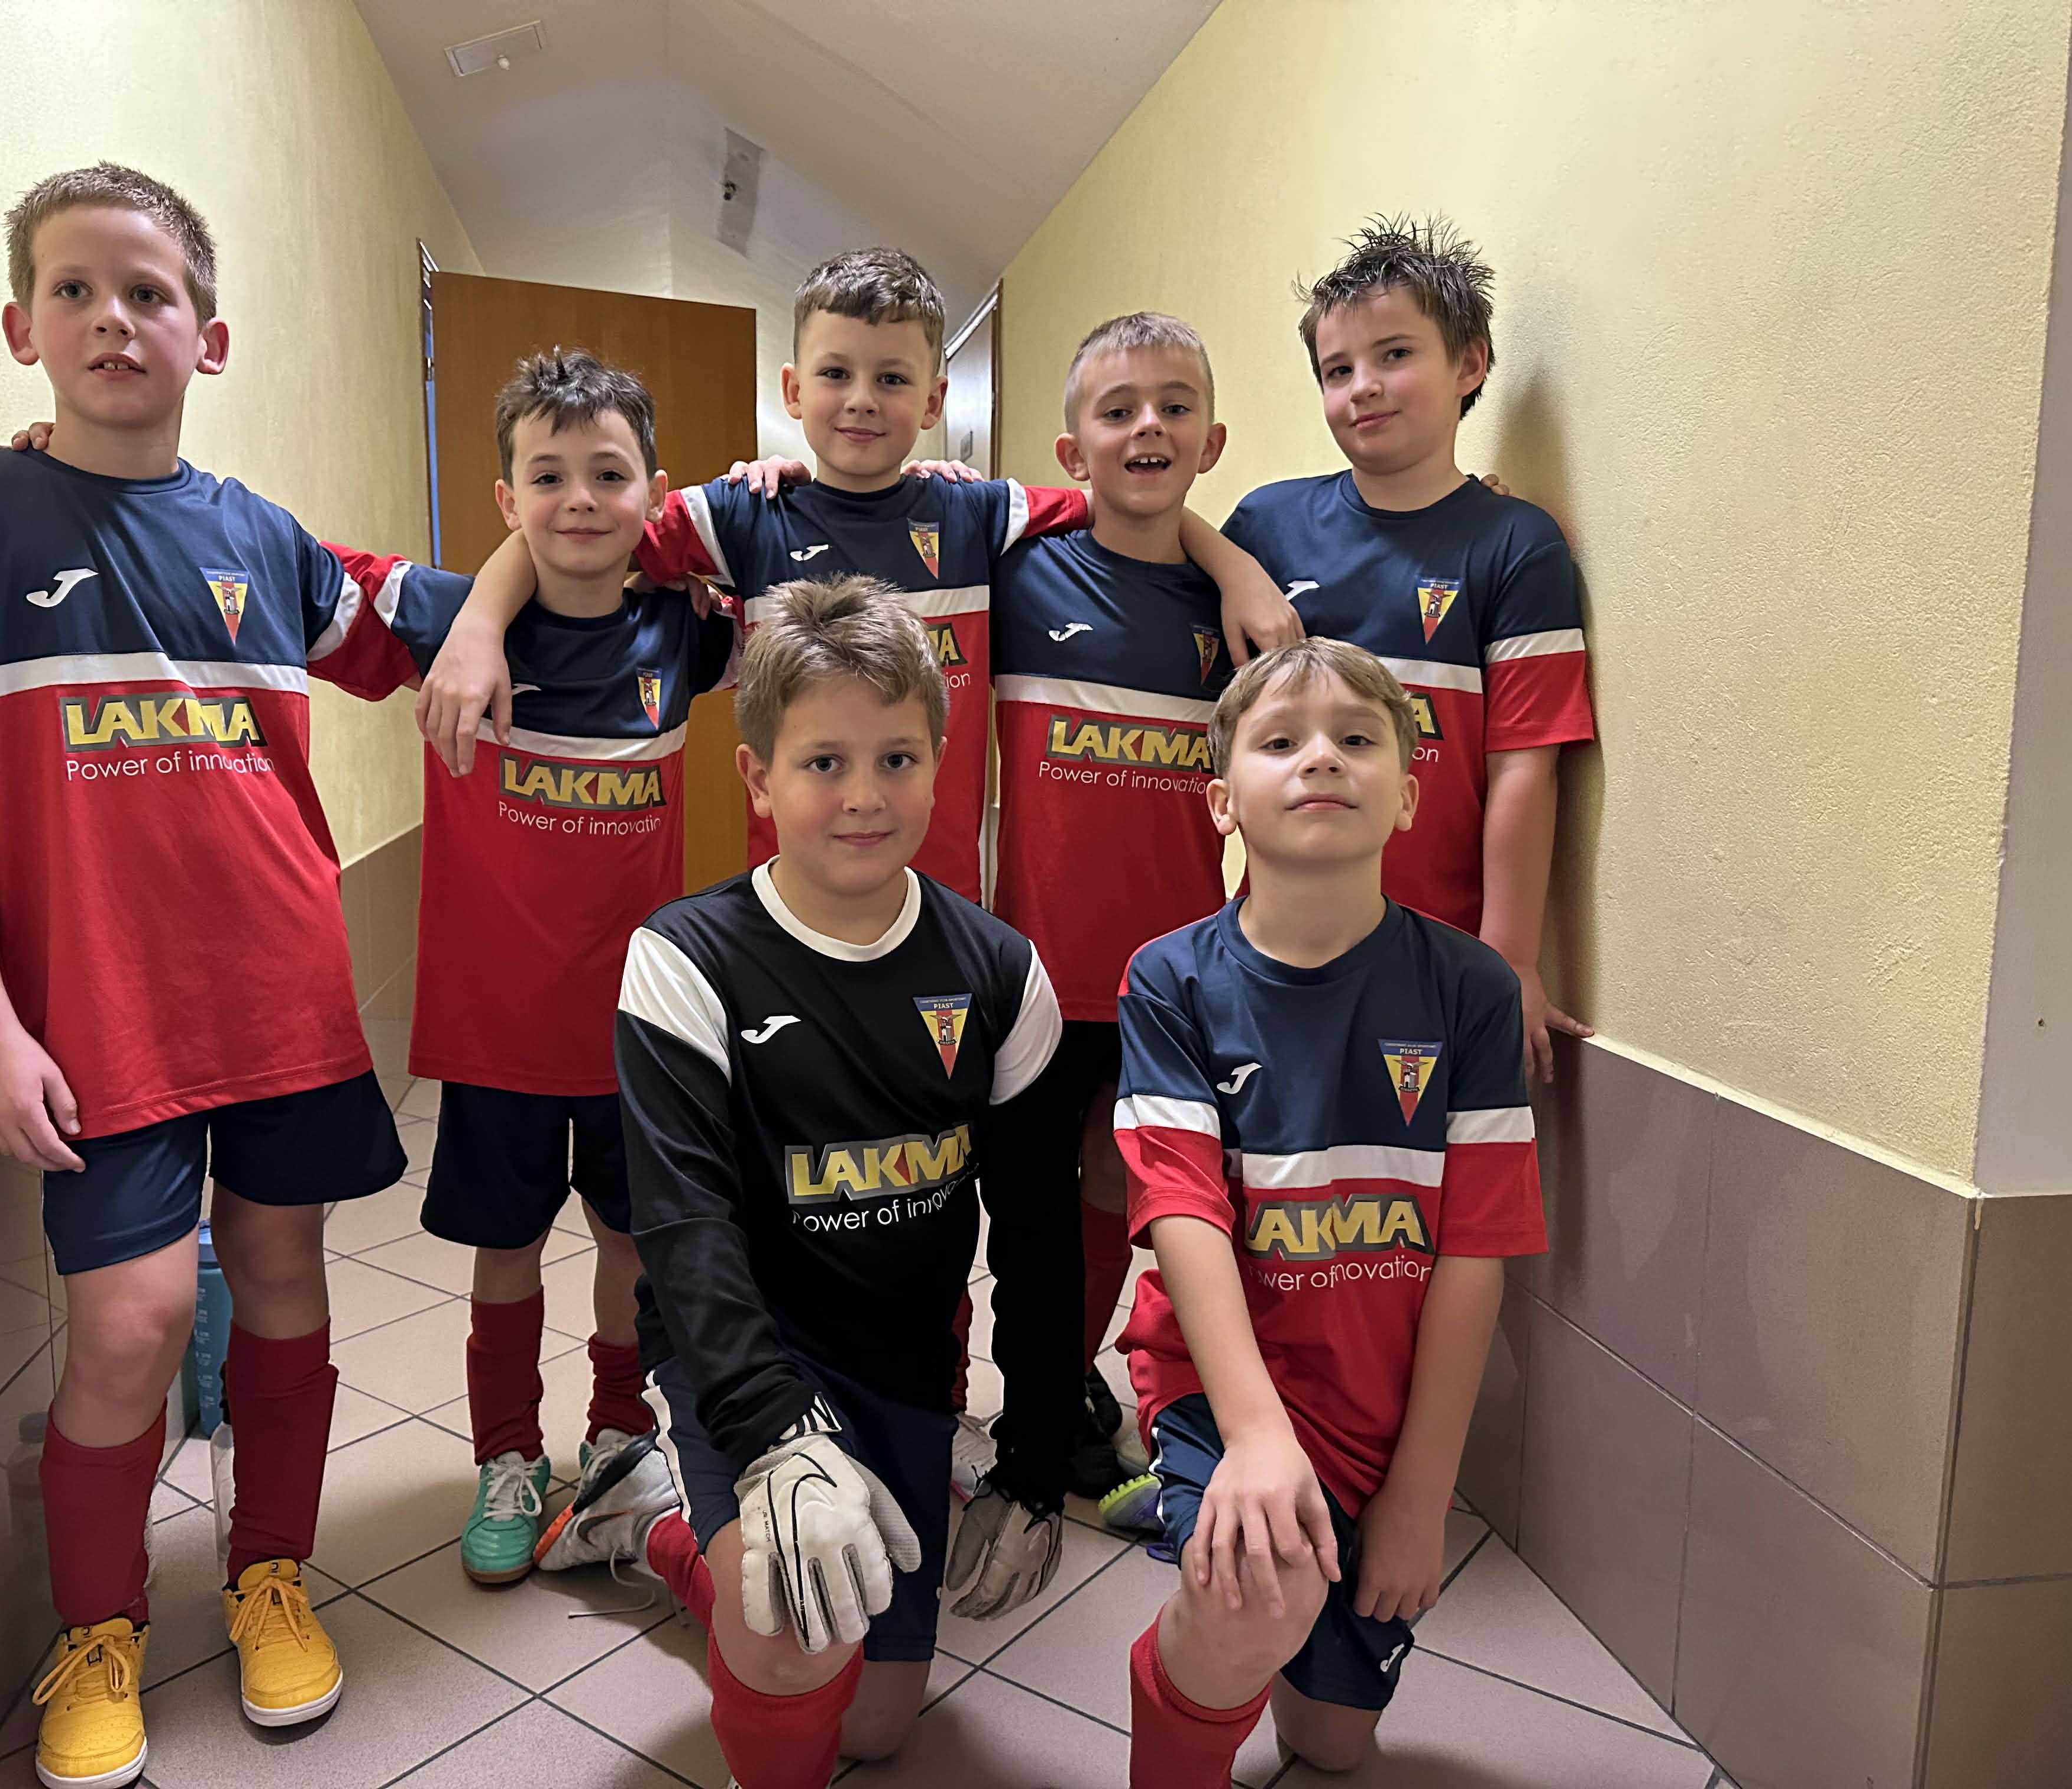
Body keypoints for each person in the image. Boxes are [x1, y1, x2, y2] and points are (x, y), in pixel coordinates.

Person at [0, 164, 435, 1788]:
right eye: (75, 290)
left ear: (212, 337)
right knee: (127, 1326)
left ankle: (271, 1578)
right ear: (21, 326)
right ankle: (100, 1629)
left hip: (281, 994)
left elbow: (440, 633)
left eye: (149, 293)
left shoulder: (268, 538)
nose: (113, 318)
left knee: (282, 1280)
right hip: (92, 1018)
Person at [528, 574, 1079, 1787]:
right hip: (738, 1354)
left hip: (904, 1364)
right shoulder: (683, 959)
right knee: (788, 1636)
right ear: (758, 779)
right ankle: (679, 1508)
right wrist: (776, 1436)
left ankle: (656, 1526)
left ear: (941, 766)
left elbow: (1042, 1238)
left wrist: (1036, 1464)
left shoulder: (1001, 973)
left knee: (876, 1726)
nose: (865, 796)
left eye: (897, 759)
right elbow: (684, 1228)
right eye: (825, 762)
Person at [412, 246, 1297, 906]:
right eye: (836, 373)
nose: (864, 398)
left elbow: (1124, 498)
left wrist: (1238, 568)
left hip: (944, 904)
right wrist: (480, 626)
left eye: (893, 377)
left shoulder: (976, 514)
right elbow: (582, 530)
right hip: (790, 901)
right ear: (794, 390)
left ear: (935, 400)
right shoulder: (744, 514)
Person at [329, 349, 739, 1585]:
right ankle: (506, 1454)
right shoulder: (439, 622)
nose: (578, 500)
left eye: (608, 474)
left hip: (634, 1031)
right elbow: (262, 564)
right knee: (504, 1252)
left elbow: (812, 559)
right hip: (497, 1031)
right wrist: (87, 475)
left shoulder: (685, 627)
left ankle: (618, 1437)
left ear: (651, 494)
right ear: (505, 499)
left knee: (632, 1245)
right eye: (546, 476)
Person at [1112, 638, 1546, 1784]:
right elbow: (1184, 1215)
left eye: (1357, 739)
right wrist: (1256, 1439)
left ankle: (1239, 1581)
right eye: (1281, 741)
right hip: (1226, 1389)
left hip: (1383, 1410)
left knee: (1330, 1744)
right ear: (1222, 803)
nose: (1321, 759)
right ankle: (1195, 1554)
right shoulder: (1170, 979)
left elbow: (1477, 1249)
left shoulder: (1472, 989)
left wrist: (1420, 1495)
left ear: (1407, 797)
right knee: (1255, 1603)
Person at [1220, 216, 1595, 1085]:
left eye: (1394, 355)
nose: (1363, 388)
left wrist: (1511, 957)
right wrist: (1223, 557)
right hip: (1273, 945)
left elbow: (1524, 766)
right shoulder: (1265, 527)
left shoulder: (1518, 545)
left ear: (1470, 364)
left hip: (1444, 956)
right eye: (1337, 370)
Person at [981, 311, 1240, 1505]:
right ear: (1069, 449)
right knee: (1022, 1208)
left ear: (1212, 440)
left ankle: (1072, 1383)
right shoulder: (1017, 570)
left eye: (1176, 407)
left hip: (1172, 978)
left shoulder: (1239, 602)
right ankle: (1016, 1402)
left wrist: (1233, 565)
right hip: (1033, 972)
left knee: (1118, 1187)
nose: (1149, 427)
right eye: (1119, 409)